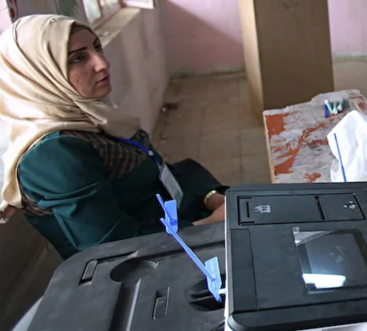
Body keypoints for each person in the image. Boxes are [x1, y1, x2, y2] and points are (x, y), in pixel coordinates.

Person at [0, 15, 227, 259]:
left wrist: (209, 196)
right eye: (78, 58)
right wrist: (209, 226)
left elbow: (153, 168)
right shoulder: (51, 153)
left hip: (179, 229)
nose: (102, 64)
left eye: (97, 47)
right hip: (153, 267)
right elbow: (114, 249)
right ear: (38, 74)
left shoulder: (89, 116)